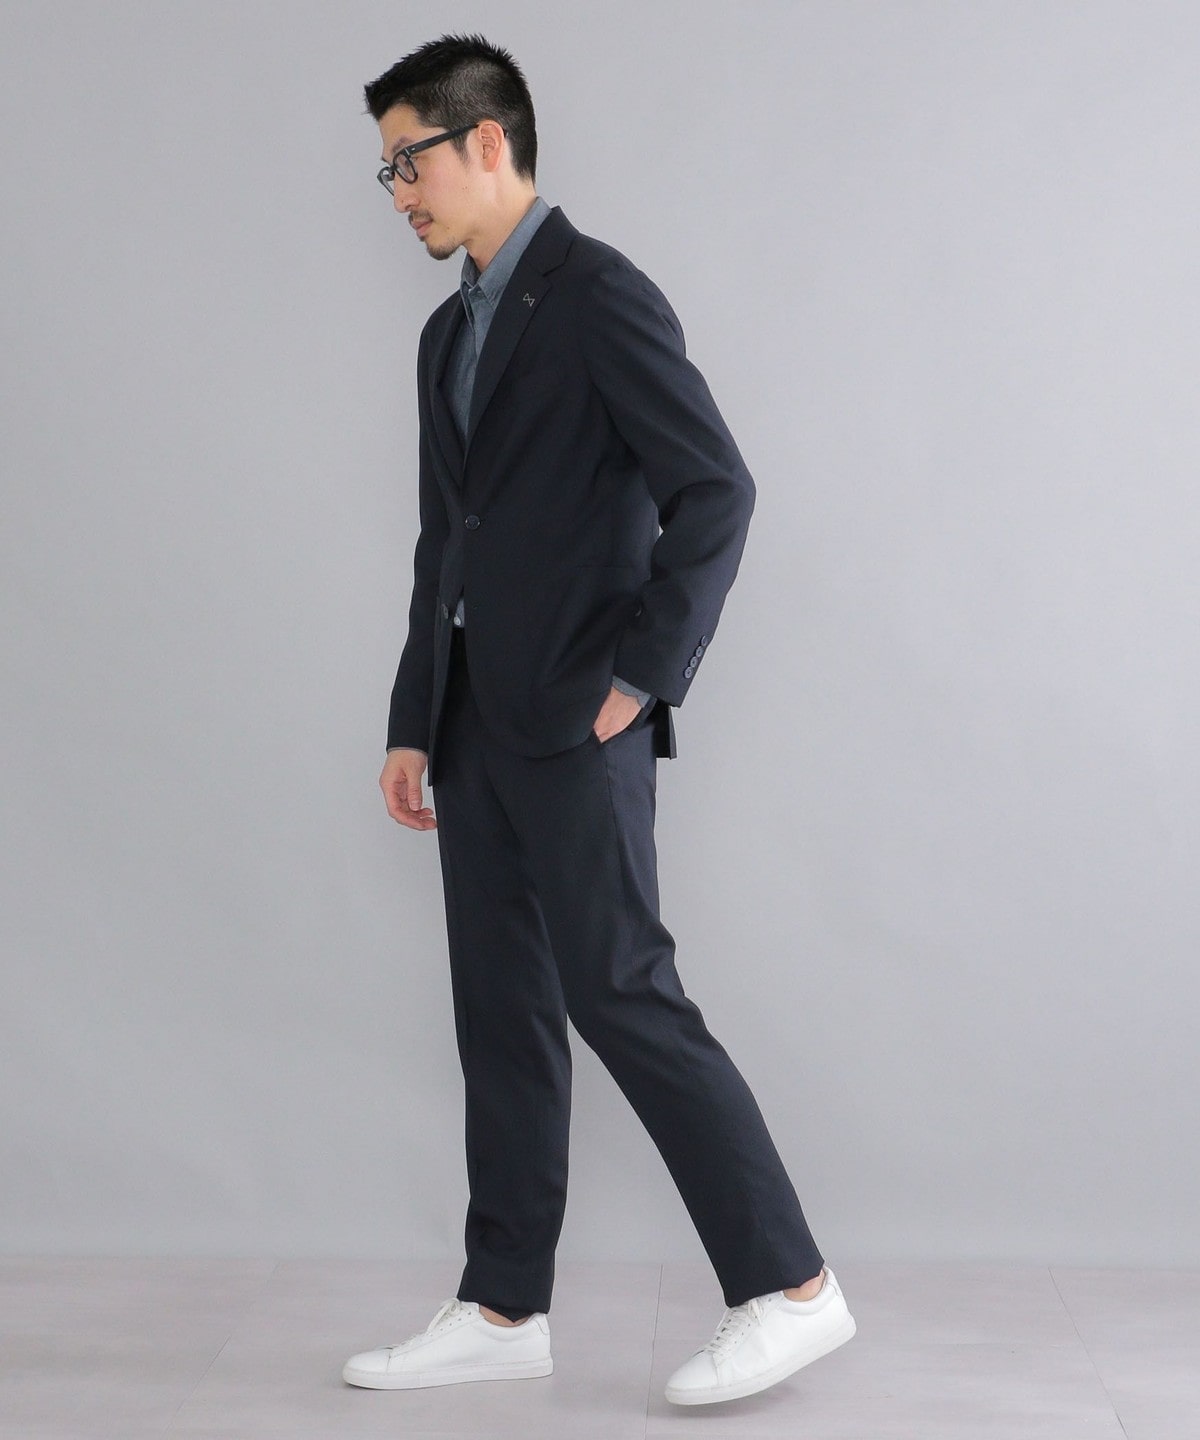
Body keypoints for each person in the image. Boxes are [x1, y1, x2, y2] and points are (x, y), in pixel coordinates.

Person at [343, 33, 856, 1407]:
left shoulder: (599, 293)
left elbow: (716, 489)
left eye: (408, 161)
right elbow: (443, 544)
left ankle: (791, 1287)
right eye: (386, 170)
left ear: (488, 142)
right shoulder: (446, 333)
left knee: (621, 989)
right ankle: (503, 1306)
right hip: (472, 725)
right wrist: (413, 715)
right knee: (501, 1013)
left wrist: (644, 676)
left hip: (582, 721)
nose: (397, 192)